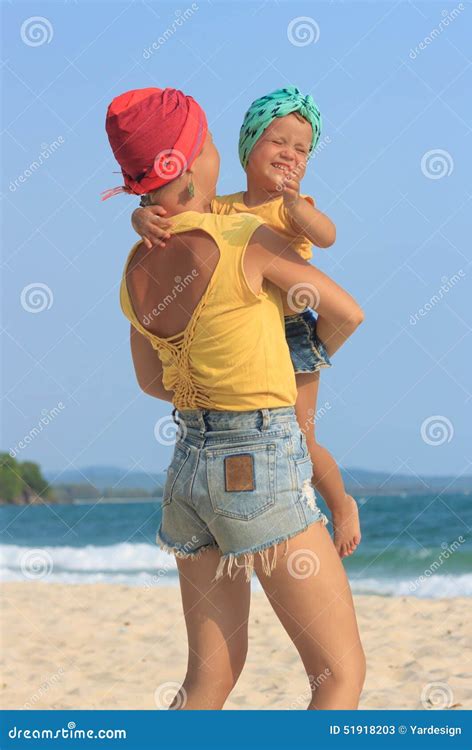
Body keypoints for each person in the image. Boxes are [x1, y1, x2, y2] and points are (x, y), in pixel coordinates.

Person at [104, 86, 366, 710]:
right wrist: (290, 353)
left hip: (189, 469)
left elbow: (150, 381)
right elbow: (347, 313)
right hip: (261, 462)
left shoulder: (137, 265)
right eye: (213, 141)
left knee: (208, 681)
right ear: (192, 163)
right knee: (338, 677)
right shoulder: (245, 237)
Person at [130, 86, 363, 560]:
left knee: (302, 433)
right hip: (243, 342)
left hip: (292, 333)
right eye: (278, 142)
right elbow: (175, 211)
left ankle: (342, 506)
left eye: (302, 149)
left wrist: (297, 206)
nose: (290, 154)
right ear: (247, 146)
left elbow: (329, 236)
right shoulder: (223, 208)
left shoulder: (292, 209)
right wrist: (140, 218)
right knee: (289, 432)